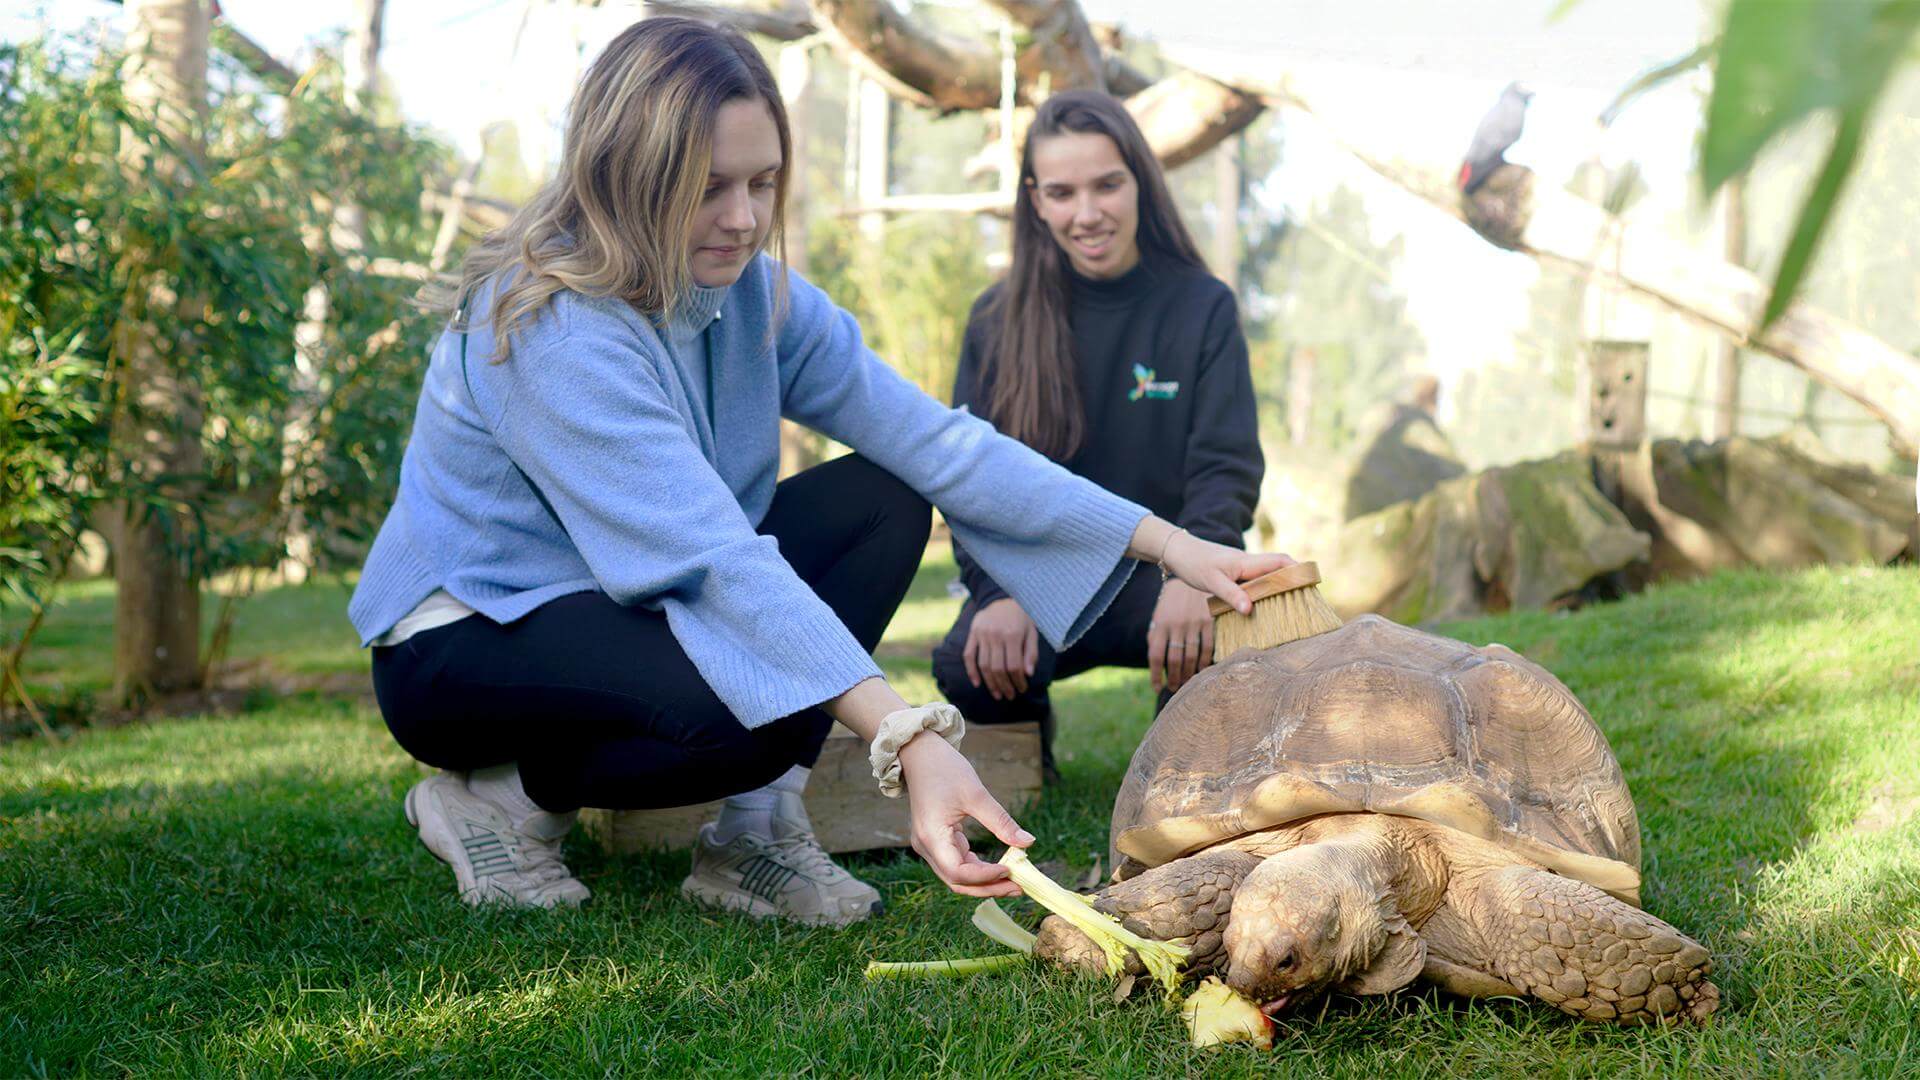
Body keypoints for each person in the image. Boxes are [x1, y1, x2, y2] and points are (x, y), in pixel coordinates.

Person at [346, 19, 1291, 927]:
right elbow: (713, 561)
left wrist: (1174, 546)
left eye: (763, 183)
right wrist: (906, 736)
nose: (745, 219)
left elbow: (938, 442)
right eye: (708, 188)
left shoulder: (752, 294)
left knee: (887, 497)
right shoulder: (553, 327)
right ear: (626, 174)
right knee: (738, 705)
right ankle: (500, 800)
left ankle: (753, 832)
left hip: (625, 603)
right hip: (468, 639)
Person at [932, 91, 1264, 773]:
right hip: (1045, 582)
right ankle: (1029, 746)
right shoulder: (997, 319)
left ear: (1140, 180)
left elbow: (1225, 467)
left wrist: (1195, 573)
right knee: (966, 663)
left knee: (1233, 635)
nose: (1087, 213)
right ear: (1036, 200)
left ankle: (1182, 757)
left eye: (1107, 185)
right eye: (1062, 193)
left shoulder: (1201, 306)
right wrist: (996, 592)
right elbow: (968, 480)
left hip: (1166, 577)